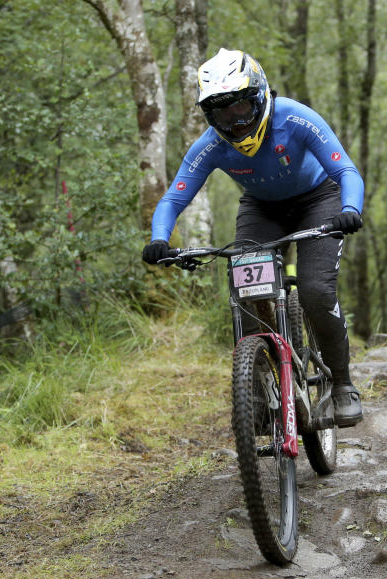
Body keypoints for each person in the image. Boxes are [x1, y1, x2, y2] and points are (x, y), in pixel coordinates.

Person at [141, 48, 364, 427]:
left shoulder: (296, 118)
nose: (235, 121)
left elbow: (347, 172)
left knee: (315, 289)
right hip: (262, 209)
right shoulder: (211, 145)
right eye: (221, 113)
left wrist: (351, 209)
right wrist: (160, 238)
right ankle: (261, 387)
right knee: (247, 295)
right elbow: (174, 197)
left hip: (319, 200)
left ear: (259, 95)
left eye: (241, 107)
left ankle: (342, 385)